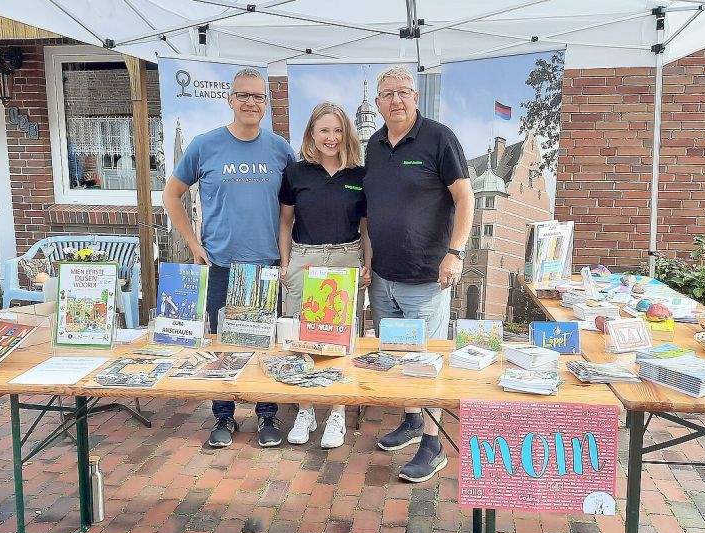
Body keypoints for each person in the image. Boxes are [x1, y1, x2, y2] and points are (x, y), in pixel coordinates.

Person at [163, 68, 295, 449]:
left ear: (266, 104)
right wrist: (192, 244)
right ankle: (223, 415)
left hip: (266, 267)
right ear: (231, 100)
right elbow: (172, 195)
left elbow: (293, 204)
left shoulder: (280, 149)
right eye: (244, 95)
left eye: (258, 97)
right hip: (220, 264)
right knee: (223, 346)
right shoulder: (205, 146)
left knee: (266, 345)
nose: (251, 103)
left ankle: (267, 415)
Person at [364, 66, 474, 482]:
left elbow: (465, 199)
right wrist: (369, 262)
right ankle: (412, 420)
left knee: (426, 362)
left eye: (404, 92)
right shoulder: (374, 145)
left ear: (416, 97)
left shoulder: (439, 138)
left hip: (427, 277)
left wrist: (455, 253)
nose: (396, 100)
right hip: (384, 278)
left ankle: (433, 444)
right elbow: (372, 211)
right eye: (388, 93)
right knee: (396, 357)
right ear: (377, 103)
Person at [278, 102, 372, 449]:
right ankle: (306, 409)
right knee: (302, 334)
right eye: (324, 131)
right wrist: (286, 264)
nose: (331, 138)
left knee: (340, 338)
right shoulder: (296, 173)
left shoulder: (359, 176)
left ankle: (336, 412)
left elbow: (366, 227)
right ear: (311, 134)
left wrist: (368, 262)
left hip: (346, 256)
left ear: (346, 134)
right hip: (304, 258)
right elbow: (285, 222)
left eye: (337, 131)